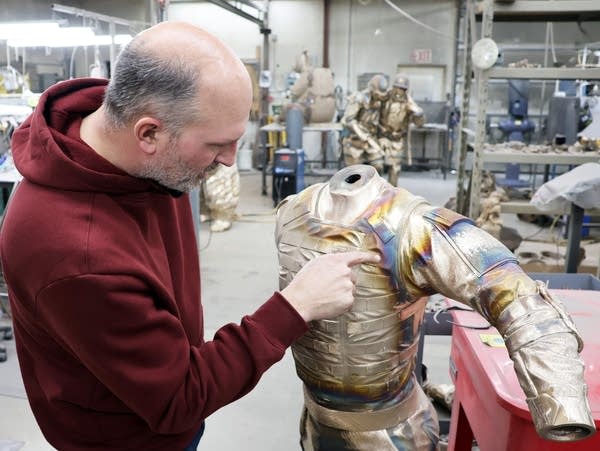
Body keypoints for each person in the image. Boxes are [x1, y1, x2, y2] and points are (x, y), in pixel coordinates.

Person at [0, 22, 380, 451]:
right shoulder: (77, 256)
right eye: (218, 144)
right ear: (149, 133)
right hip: (129, 440)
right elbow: (179, 399)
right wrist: (293, 308)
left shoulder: (142, 151)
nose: (230, 162)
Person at [275, 164, 595, 450]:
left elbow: (521, 301)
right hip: (316, 424)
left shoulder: (414, 226)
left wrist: (560, 403)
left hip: (391, 437)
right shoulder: (292, 211)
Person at [378, 73, 425, 186]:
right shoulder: (384, 97)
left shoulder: (409, 102)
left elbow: (419, 123)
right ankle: (375, 194)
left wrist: (418, 115)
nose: (399, 91)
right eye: (397, 88)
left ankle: (391, 196)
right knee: (377, 166)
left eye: (402, 89)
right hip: (381, 137)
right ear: (393, 87)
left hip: (397, 140)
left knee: (395, 169)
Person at [340, 74, 389, 172]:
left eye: (381, 95)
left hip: (371, 140)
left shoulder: (379, 102)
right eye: (377, 94)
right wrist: (361, 134)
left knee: (378, 166)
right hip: (354, 141)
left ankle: (373, 187)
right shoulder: (359, 98)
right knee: (354, 174)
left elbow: (379, 120)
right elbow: (349, 120)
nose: (379, 97)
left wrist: (383, 136)